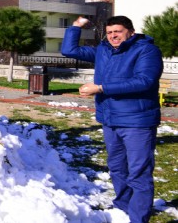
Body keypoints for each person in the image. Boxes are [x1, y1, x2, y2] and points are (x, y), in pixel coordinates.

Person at [61, 15, 163, 223]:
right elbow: (69, 50)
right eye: (109, 32)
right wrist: (76, 26)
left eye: (117, 31)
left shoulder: (146, 50)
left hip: (137, 121)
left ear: (130, 32)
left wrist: (101, 88)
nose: (113, 36)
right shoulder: (103, 50)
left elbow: (144, 81)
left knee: (139, 173)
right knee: (117, 168)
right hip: (110, 119)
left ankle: (138, 218)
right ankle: (122, 208)